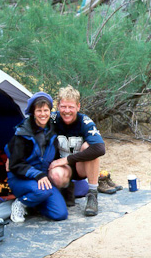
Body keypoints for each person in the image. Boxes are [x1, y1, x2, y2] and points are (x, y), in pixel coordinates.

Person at [5, 92, 68, 222]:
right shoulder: (22, 134)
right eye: (39, 110)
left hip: (42, 178)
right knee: (43, 192)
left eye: (46, 110)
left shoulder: (53, 131)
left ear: (50, 111)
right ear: (33, 112)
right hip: (21, 178)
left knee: (60, 214)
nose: (43, 114)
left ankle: (33, 204)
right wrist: (37, 174)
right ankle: (21, 203)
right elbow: (15, 165)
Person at [48, 85, 105, 216]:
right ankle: (65, 190)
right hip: (62, 169)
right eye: (63, 106)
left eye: (71, 107)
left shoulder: (84, 121)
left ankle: (92, 195)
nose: (67, 111)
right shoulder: (52, 119)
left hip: (80, 167)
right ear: (58, 106)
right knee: (55, 174)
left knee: (90, 148)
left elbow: (100, 148)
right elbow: (32, 123)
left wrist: (66, 159)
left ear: (78, 107)